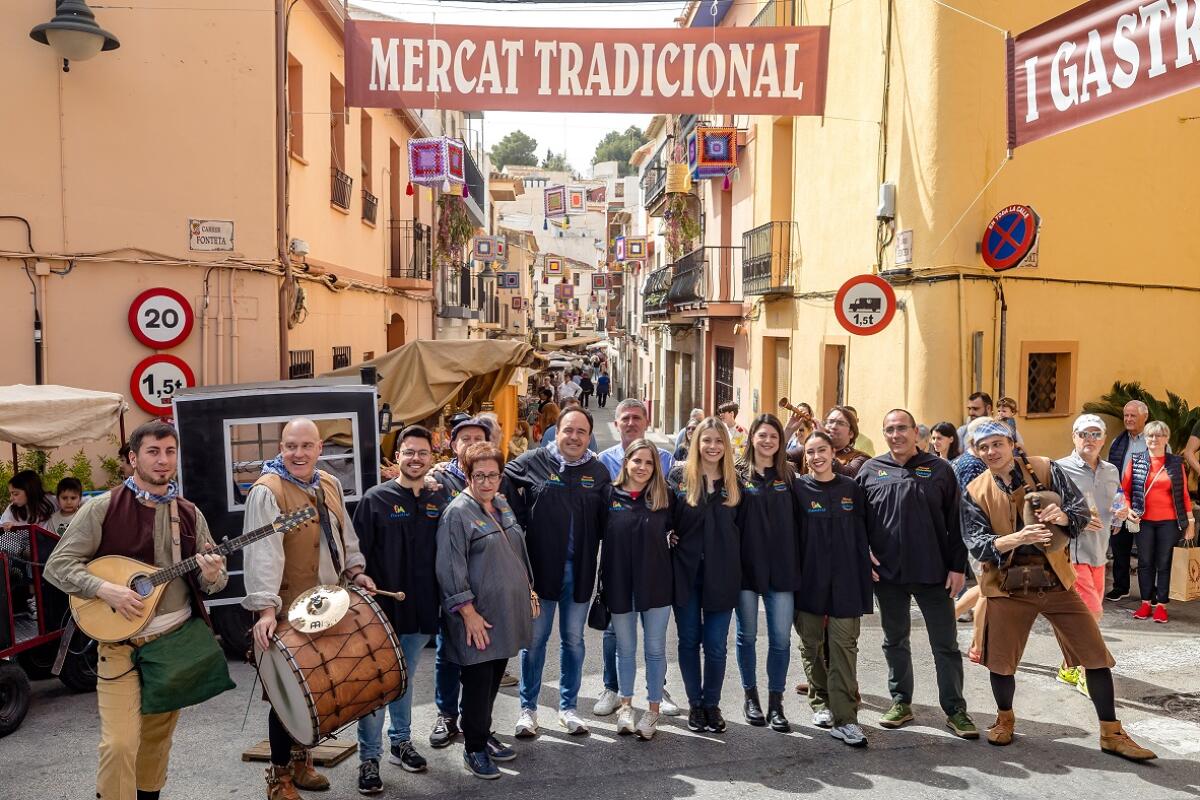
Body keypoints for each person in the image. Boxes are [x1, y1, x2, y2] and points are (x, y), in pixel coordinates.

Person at [44, 420, 228, 800]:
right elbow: (57, 565)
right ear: (133, 457)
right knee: (119, 744)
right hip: (120, 646)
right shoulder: (102, 508)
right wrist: (105, 589)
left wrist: (212, 575)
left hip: (174, 645)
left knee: (156, 742)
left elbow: (215, 581)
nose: (163, 461)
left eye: (170, 452)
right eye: (153, 452)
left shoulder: (190, 513)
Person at [961, 421, 1156, 761]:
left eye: (997, 444)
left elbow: (1082, 513)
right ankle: (1004, 719)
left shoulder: (1045, 468)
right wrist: (1017, 538)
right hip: (1006, 588)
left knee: (1095, 655)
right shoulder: (975, 490)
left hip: (1055, 579)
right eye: (983, 447)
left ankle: (1111, 732)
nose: (991, 452)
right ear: (976, 452)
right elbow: (976, 545)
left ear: (1011, 443)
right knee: (1001, 662)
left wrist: (1063, 517)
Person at [242, 418, 376, 800]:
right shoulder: (267, 492)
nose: (298, 454)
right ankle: (279, 777)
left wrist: (356, 571)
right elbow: (261, 555)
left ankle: (303, 762)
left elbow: (342, 534)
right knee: (285, 695)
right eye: (290, 446)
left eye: (306, 446)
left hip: (326, 604)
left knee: (318, 688)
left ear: (320, 448)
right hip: (287, 609)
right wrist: (267, 610)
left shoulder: (328, 483)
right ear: (280, 448)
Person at [857, 409, 977, 739]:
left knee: (945, 645)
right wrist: (862, 552)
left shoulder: (940, 470)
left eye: (902, 429)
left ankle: (955, 709)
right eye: (889, 429)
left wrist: (958, 568)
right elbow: (856, 522)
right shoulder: (871, 470)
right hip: (888, 576)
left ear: (915, 433)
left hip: (934, 574)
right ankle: (900, 702)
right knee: (894, 641)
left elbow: (957, 523)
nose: (896, 435)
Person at [352, 426, 449, 794]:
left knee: (404, 678)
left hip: (423, 609)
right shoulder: (375, 500)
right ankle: (369, 758)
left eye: (422, 453)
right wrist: (359, 576)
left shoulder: (439, 499)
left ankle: (401, 742)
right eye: (409, 452)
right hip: (381, 611)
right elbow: (355, 555)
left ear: (432, 458)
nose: (415, 459)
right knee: (377, 685)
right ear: (397, 458)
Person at [505, 407, 612, 737]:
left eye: (582, 431)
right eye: (569, 430)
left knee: (573, 641)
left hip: (579, 573)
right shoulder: (534, 460)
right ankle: (528, 709)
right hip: (539, 574)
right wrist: (520, 521)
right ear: (557, 431)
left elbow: (610, 521)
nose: (575, 437)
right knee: (534, 641)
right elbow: (505, 478)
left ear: (590, 436)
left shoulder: (598, 471)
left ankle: (568, 708)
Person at [436, 442, 532, 780]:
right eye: (480, 476)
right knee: (477, 682)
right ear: (467, 474)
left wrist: (528, 588)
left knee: (492, 679)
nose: (487, 482)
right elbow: (450, 568)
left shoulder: (501, 503)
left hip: (505, 612)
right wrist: (468, 613)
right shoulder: (457, 513)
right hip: (477, 617)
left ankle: (482, 731)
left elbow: (516, 550)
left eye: (493, 475)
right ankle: (474, 748)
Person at [594, 399, 679, 719]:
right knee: (615, 634)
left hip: (653, 568)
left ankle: (658, 691)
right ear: (616, 424)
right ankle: (612, 689)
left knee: (655, 641)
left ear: (646, 421)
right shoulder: (603, 462)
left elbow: (677, 511)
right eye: (625, 418)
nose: (631, 423)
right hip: (618, 568)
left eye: (636, 418)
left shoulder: (669, 459)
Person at [794, 431, 874, 747]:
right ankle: (820, 700)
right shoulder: (797, 489)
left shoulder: (851, 489)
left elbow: (864, 530)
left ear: (833, 453)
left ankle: (846, 720)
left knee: (844, 648)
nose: (816, 457)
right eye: (810, 452)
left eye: (822, 450)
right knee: (811, 643)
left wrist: (869, 557)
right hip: (809, 580)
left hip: (847, 581)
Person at [668, 417, 742, 734]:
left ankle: (712, 704)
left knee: (715, 646)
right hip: (685, 573)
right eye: (706, 440)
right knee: (689, 641)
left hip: (722, 575)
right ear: (696, 442)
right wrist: (666, 533)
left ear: (726, 446)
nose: (712, 447)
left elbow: (746, 531)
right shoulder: (678, 477)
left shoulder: (735, 482)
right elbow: (663, 516)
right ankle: (695, 705)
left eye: (718, 441)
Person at [427, 417, 492, 749]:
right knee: (449, 650)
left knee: (481, 653)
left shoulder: (493, 478)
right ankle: (446, 714)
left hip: (485, 581)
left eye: (478, 437)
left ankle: (475, 720)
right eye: (464, 438)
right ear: (453, 445)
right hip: (451, 579)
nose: (470, 442)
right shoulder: (437, 479)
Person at [733, 414, 799, 732]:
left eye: (773, 436)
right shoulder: (737, 475)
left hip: (783, 569)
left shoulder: (789, 475)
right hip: (746, 568)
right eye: (762, 435)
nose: (768, 441)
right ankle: (751, 697)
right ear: (752, 439)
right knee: (746, 636)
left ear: (780, 440)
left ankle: (776, 703)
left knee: (781, 640)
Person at [1054, 414, 1126, 696]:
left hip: (1099, 552)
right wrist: (1077, 518)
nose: (1090, 440)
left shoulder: (1110, 470)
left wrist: (1122, 513)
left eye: (1096, 434)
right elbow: (1047, 507)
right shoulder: (1060, 468)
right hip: (1072, 552)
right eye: (1084, 434)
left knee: (1089, 614)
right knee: (1090, 614)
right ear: (1074, 436)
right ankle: (1087, 673)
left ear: (1104, 439)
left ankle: (1067, 668)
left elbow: (1118, 498)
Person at [1120, 421, 1195, 623]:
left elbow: (1184, 494)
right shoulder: (1136, 461)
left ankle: (1161, 605)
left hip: (1170, 522)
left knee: (1164, 563)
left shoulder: (1176, 463)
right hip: (1143, 521)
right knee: (1145, 563)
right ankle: (1145, 603)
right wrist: (1127, 510)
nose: (1155, 439)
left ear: (1166, 438)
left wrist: (1190, 521)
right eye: (1151, 436)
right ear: (1145, 438)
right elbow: (1124, 491)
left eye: (1159, 436)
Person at [1105, 400, 1154, 602]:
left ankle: (1149, 592)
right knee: (1119, 546)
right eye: (1126, 415)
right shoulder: (1118, 442)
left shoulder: (1155, 440)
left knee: (1147, 550)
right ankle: (1121, 586)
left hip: (1147, 502)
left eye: (1133, 415)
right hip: (1122, 501)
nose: (1128, 419)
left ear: (1145, 417)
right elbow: (1111, 474)